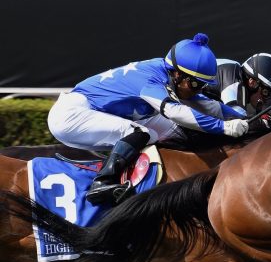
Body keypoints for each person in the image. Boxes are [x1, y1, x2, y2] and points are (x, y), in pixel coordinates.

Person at [48, 33, 249, 205]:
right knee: (141, 133)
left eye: (204, 85)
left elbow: (206, 104)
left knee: (167, 132)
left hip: (94, 111)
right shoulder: (151, 79)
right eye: (197, 84)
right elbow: (175, 111)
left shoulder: (170, 74)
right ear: (178, 75)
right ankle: (102, 183)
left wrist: (245, 119)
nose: (200, 90)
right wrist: (223, 127)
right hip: (70, 116)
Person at [205, 52, 271, 122]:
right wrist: (269, 123)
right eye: (266, 93)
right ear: (252, 83)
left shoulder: (243, 78)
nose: (267, 100)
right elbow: (237, 120)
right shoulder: (233, 80)